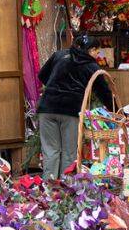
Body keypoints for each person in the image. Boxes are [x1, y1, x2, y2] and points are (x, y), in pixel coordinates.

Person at [36, 34, 112, 179]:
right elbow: (104, 93)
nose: (97, 55)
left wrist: (55, 86)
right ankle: (66, 185)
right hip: (70, 111)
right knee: (69, 152)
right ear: (91, 50)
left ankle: (49, 187)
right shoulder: (92, 66)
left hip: (47, 108)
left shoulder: (59, 55)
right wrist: (119, 112)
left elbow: (42, 75)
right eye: (97, 52)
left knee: (50, 151)